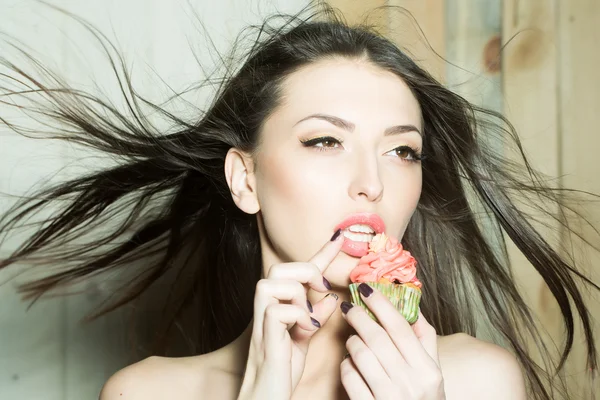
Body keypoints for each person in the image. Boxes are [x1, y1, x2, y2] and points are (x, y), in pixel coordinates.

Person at [0, 4, 597, 400]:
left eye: (403, 151)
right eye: (325, 140)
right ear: (245, 179)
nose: (373, 183)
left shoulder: (473, 381)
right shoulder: (149, 393)